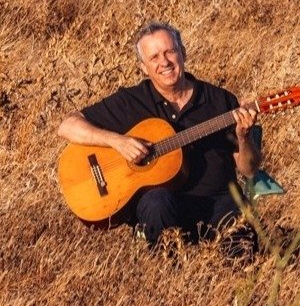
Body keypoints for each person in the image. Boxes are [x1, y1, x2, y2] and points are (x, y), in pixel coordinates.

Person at [57, 21, 260, 249]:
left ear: (183, 53)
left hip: (218, 201)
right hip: (163, 206)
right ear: (143, 67)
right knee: (157, 202)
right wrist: (117, 141)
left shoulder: (221, 101)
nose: (164, 62)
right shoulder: (131, 101)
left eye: (170, 52)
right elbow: (67, 126)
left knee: (243, 247)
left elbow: (248, 169)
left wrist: (244, 138)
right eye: (154, 57)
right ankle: (166, 266)